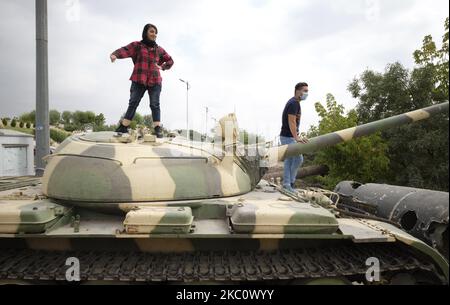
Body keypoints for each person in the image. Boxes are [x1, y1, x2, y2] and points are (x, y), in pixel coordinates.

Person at [110, 23, 174, 138]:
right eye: (151, 31)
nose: (154, 34)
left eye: (155, 32)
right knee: (133, 102)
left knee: (155, 104)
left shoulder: (159, 49)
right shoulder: (137, 46)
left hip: (155, 80)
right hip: (139, 78)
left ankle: (157, 128)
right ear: (145, 33)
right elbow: (125, 50)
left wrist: (163, 67)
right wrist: (115, 54)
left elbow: (170, 60)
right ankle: (124, 127)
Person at [279, 82, 309, 192]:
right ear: (298, 91)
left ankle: (288, 184)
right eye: (305, 91)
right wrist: (296, 137)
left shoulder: (295, 103)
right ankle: (288, 184)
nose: (306, 93)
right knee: (297, 159)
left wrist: (297, 135)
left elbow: (294, 123)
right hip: (288, 137)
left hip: (289, 136)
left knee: (292, 160)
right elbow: (291, 122)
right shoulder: (293, 103)